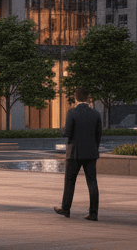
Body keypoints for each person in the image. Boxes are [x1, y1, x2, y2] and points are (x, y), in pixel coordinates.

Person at [55, 87, 102, 221]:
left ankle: (66, 209)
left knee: (70, 181)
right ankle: (93, 213)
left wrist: (61, 130)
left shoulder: (72, 113)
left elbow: (67, 133)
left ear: (75, 97)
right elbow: (99, 135)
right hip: (91, 153)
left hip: (74, 153)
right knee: (92, 182)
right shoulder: (96, 114)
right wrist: (94, 148)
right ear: (88, 97)